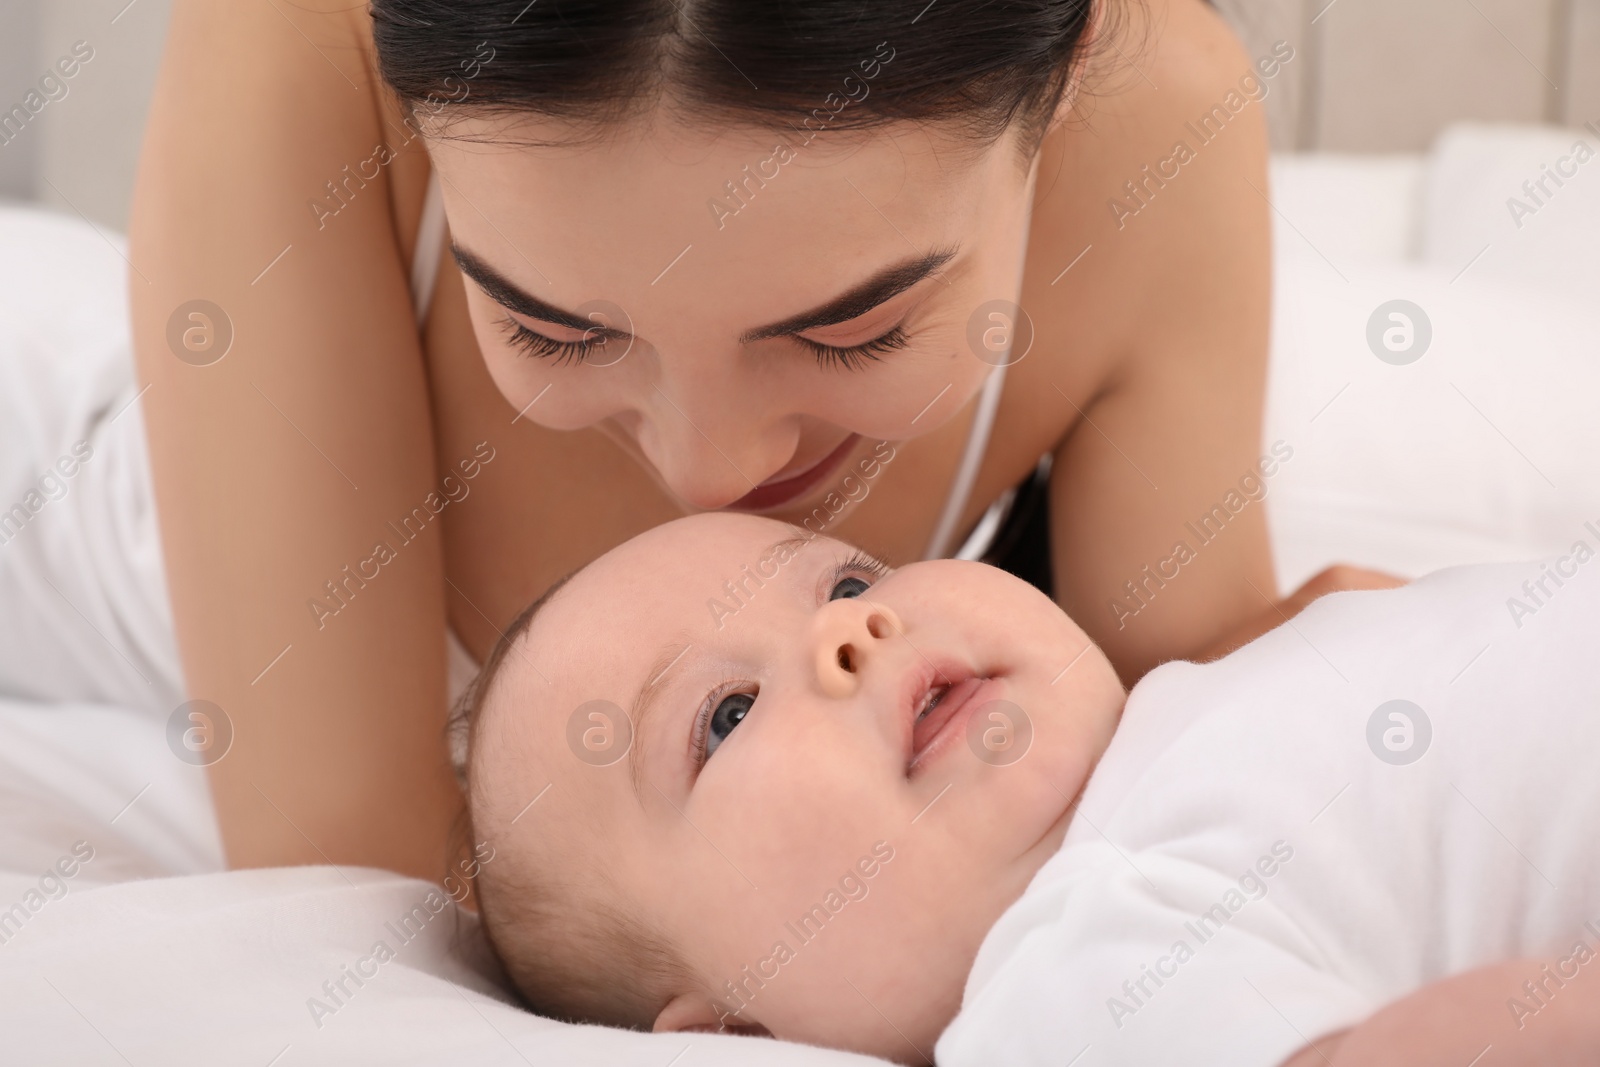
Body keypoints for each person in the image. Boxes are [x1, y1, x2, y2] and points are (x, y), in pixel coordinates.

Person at [121, 0, 1396, 881]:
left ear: (1061, 80)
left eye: (855, 332)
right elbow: (345, 885)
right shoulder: (290, 42)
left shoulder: (1162, 120)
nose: (708, 473)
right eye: (551, 329)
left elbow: (1170, 757)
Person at [455, 511, 1600, 1067]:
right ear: (739, 1027)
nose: (852, 627)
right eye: (727, 714)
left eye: (845, 576)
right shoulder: (1066, 972)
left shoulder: (1190, 707)